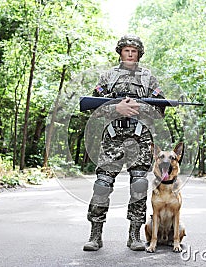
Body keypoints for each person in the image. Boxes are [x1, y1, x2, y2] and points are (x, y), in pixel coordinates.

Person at [83, 34, 165, 251]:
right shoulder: (108, 77)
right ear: (120, 52)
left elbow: (160, 110)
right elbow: (93, 107)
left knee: (139, 185)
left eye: (134, 51)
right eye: (126, 50)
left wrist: (140, 108)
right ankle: (95, 235)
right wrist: (116, 108)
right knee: (102, 185)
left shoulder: (149, 78)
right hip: (113, 137)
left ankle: (135, 236)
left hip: (140, 137)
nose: (130, 54)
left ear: (139, 54)